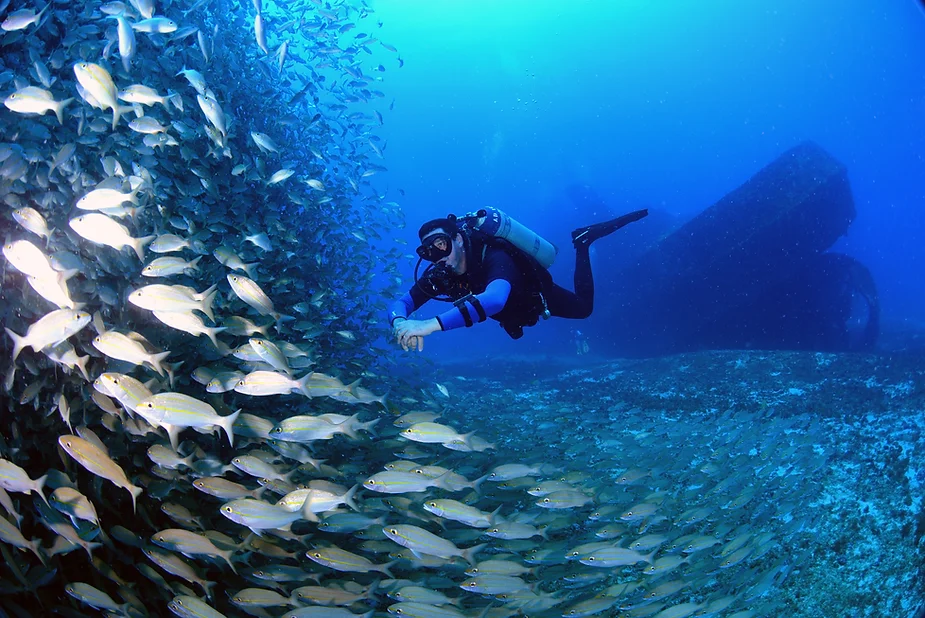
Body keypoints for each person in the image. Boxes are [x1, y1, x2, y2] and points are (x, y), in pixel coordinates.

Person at [388, 209, 648, 351]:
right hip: (515, 313)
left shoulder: (494, 255)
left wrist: (428, 325)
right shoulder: (441, 274)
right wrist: (400, 322)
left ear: (457, 239)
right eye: (428, 252)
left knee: (583, 309)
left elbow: (495, 300)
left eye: (441, 244)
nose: (437, 256)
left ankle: (583, 242)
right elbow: (401, 303)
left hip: (534, 293)